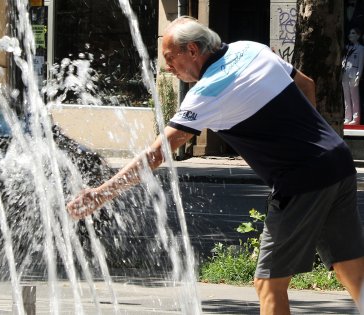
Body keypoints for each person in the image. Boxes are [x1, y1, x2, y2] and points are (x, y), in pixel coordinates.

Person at [67, 16, 364, 314]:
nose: (168, 67)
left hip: (300, 180)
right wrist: (306, 138)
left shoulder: (206, 93)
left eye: (170, 58)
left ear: (193, 51)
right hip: (337, 160)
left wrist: (100, 194)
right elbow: (306, 85)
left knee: (269, 284)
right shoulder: (252, 49)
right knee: (350, 267)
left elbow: (157, 155)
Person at [342, 27, 364, 125]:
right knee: (346, 97)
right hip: (345, 73)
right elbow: (344, 59)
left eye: (353, 33)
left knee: (354, 97)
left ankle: (356, 118)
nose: (350, 35)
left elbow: (360, 64)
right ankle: (347, 117)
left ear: (358, 36)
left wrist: (358, 76)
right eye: (350, 33)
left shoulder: (361, 48)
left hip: (353, 74)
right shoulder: (347, 48)